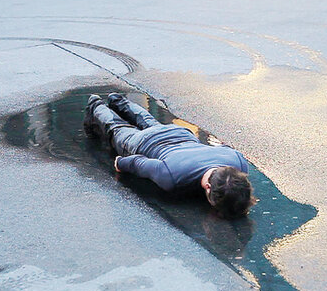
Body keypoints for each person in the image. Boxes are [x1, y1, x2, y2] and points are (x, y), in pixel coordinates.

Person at [84, 93, 255, 219]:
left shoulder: (238, 162)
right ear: (208, 187)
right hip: (142, 143)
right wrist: (121, 163)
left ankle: (117, 100)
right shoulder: (172, 177)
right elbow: (139, 163)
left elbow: (225, 148)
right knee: (117, 129)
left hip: (180, 134)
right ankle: (96, 106)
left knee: (148, 120)